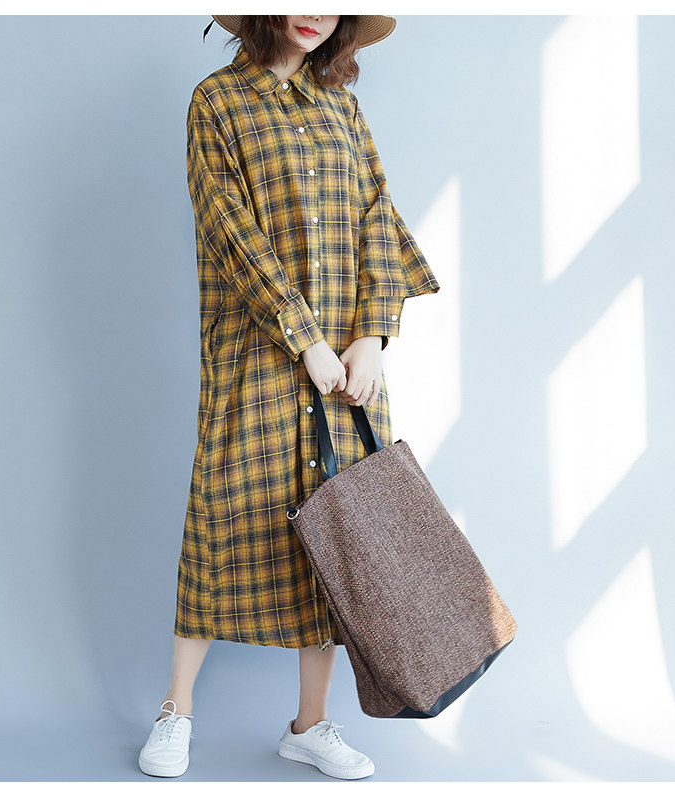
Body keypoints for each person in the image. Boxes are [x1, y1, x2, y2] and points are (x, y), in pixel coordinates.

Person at [138, 14, 440, 780]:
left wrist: (372, 332)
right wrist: (302, 336)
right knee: (221, 522)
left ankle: (310, 724)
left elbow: (377, 214)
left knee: (339, 534)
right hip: (261, 358)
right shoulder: (217, 103)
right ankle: (176, 710)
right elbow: (230, 230)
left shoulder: (343, 108)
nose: (316, 10)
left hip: (348, 369)